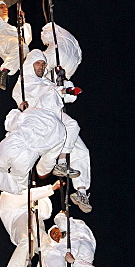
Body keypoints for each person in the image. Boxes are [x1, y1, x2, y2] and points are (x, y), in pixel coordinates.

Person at [11, 50, 91, 212]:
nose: (42, 66)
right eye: (38, 63)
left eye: (43, 64)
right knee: (72, 126)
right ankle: (59, 163)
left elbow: (69, 97)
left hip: (55, 115)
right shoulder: (24, 82)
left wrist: (65, 83)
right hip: (40, 117)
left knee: (81, 149)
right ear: (29, 64)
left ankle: (81, 191)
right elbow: (34, 95)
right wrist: (59, 88)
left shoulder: (47, 82)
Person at [0, 180, 58, 267]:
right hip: (18, 221)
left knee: (48, 247)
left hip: (36, 225)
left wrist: (40, 197)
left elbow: (46, 213)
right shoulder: (7, 193)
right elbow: (25, 196)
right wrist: (50, 189)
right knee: (26, 241)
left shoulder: (33, 197)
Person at [30, 213, 95, 267]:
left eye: (55, 232)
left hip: (81, 245)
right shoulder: (58, 246)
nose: (56, 236)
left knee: (54, 253)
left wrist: (60, 215)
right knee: (51, 259)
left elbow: (62, 222)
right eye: (53, 237)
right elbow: (39, 237)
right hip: (78, 261)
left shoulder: (73, 228)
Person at [0, 1, 32, 89]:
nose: (5, 9)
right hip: (2, 42)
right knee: (21, 47)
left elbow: (27, 40)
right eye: (1, 7)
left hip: (12, 48)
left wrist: (23, 22)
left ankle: (5, 72)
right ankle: (4, 70)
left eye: (6, 7)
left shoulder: (10, 27)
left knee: (27, 55)